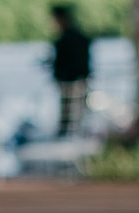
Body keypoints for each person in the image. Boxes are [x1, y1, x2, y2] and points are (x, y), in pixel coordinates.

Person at [50, 5, 91, 138]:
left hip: (71, 80)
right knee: (76, 109)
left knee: (70, 108)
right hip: (78, 78)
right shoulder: (79, 36)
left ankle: (67, 133)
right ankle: (72, 133)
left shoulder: (66, 39)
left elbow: (65, 60)